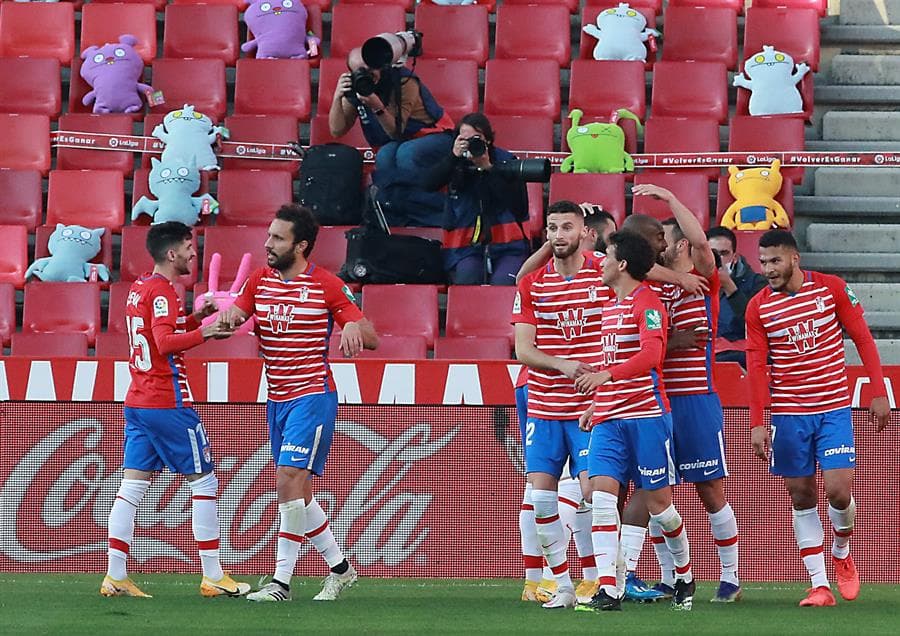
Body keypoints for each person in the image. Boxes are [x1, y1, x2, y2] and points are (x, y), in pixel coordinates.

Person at [224, 204, 379, 602]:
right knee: (301, 493)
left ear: (302, 245)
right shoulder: (259, 280)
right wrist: (211, 317)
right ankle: (341, 570)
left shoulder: (326, 284)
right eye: (269, 235)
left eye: (278, 238)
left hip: (312, 395)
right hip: (276, 398)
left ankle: (280, 583)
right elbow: (233, 320)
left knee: (287, 482)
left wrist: (352, 330)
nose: (267, 243)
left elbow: (370, 335)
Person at [101, 221, 250, 599]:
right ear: (172, 254)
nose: (193, 253)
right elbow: (166, 343)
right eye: (189, 247)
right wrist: (207, 333)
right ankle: (213, 574)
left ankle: (115, 575)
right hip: (167, 399)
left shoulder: (139, 287)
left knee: (131, 488)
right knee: (205, 481)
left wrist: (197, 319)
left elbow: (156, 333)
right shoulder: (165, 291)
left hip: (137, 399)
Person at [746, 229, 890, 607]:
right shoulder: (758, 307)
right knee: (801, 495)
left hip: (832, 409)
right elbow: (757, 367)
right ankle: (819, 584)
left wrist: (879, 392)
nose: (768, 269)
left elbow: (862, 338)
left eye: (774, 261)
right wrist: (757, 421)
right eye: (763, 263)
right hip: (789, 414)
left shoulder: (832, 289)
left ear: (795, 258)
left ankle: (842, 552)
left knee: (839, 490)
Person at [625, 185, 742, 604]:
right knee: (658, 492)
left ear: (677, 245)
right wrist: (674, 339)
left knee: (710, 490)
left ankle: (730, 576)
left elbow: (697, 240)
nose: (661, 247)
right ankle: (670, 576)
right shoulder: (651, 287)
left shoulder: (705, 279)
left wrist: (671, 197)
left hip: (694, 398)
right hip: (655, 399)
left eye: (665, 240)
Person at [574, 230, 695, 613]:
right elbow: (613, 364)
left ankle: (685, 573)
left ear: (622, 264)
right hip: (610, 418)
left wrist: (606, 379)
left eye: (606, 256)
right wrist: (598, 402)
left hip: (646, 416)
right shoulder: (610, 308)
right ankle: (610, 589)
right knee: (602, 497)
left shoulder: (648, 303)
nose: (602, 262)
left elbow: (652, 355)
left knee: (661, 506)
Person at [511, 200, 612, 609]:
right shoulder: (533, 283)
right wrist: (563, 365)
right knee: (540, 498)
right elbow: (523, 349)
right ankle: (562, 584)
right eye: (552, 227)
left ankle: (600, 578)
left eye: (567, 227)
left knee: (593, 492)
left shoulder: (605, 273)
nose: (558, 235)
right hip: (544, 403)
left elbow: (628, 317)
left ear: (585, 232)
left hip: (591, 404)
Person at [329, 47, 454, 227]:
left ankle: (428, 216)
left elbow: (396, 131)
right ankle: (395, 216)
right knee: (385, 155)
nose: (368, 75)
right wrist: (338, 97)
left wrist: (377, 107)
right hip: (399, 143)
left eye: (371, 68)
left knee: (407, 153)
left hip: (437, 136)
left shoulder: (404, 81)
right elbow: (337, 130)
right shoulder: (358, 86)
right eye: (360, 71)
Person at [423, 113, 530, 285]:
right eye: (464, 139)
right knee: (467, 280)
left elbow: (520, 206)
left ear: (488, 140)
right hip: (464, 246)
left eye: (476, 138)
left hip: (508, 245)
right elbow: (427, 185)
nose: (471, 144)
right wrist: (453, 157)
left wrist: (488, 168)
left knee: (503, 284)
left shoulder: (506, 161)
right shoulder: (454, 163)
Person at [706, 226, 767, 368]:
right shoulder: (692, 282)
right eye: (713, 253)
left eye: (724, 253)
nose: (718, 259)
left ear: (734, 257)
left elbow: (755, 326)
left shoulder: (757, 283)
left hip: (741, 357)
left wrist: (729, 286)